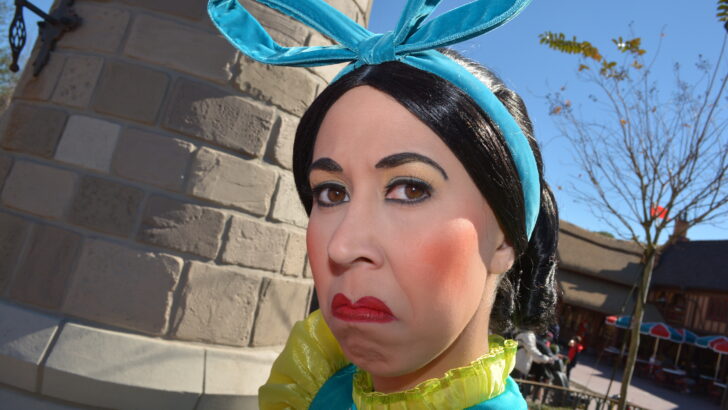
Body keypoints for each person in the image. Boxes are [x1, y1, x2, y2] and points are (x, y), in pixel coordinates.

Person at [209, 0, 558, 408]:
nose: (342, 246)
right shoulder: (311, 389)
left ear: (504, 237)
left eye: (409, 189)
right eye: (331, 193)